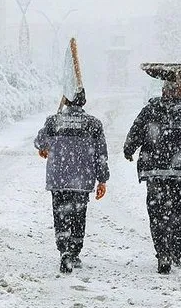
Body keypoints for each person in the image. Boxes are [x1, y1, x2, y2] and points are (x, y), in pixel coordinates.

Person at [123, 78, 181, 274]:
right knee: (179, 211)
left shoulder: (151, 109)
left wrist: (129, 150)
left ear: (163, 91)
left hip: (156, 170)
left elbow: (136, 131)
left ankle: (163, 252)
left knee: (157, 212)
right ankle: (175, 251)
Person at [34, 88, 110, 274]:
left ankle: (64, 250)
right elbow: (101, 155)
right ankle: (74, 251)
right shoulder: (93, 124)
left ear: (65, 101)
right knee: (78, 214)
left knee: (60, 214)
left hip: (58, 178)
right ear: (84, 102)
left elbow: (39, 142)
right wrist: (102, 179)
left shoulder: (54, 121)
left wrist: (46, 142)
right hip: (82, 180)